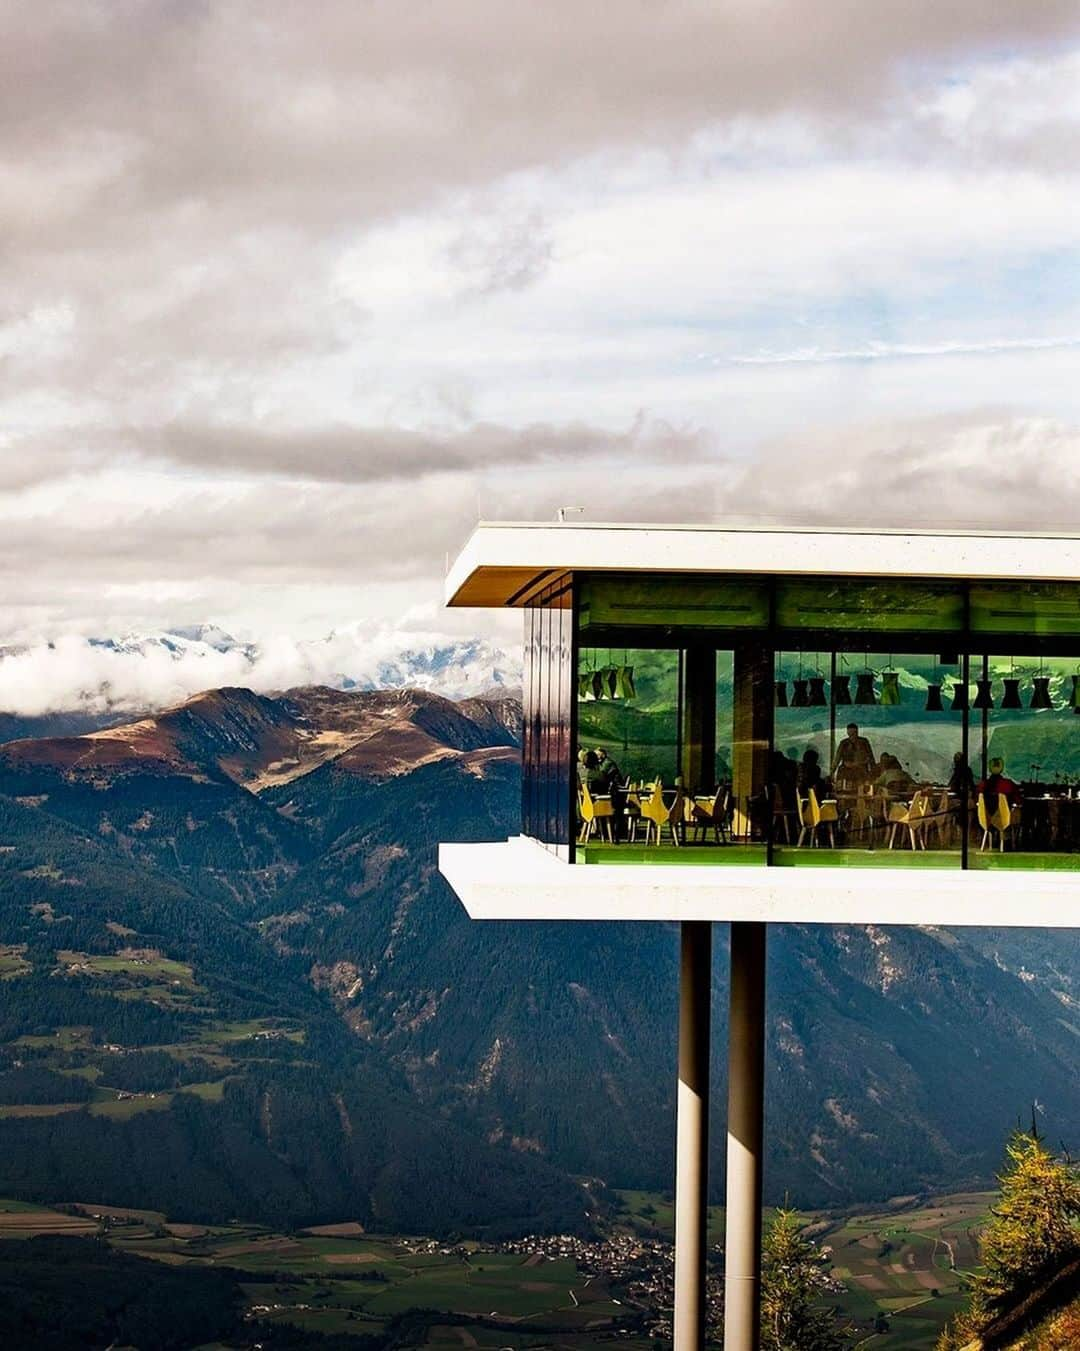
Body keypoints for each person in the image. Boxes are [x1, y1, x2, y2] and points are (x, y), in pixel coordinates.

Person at [832, 722, 876, 791]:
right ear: (847, 733)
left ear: (857, 732)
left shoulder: (864, 742)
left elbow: (870, 757)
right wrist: (832, 772)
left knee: (862, 790)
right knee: (843, 789)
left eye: (854, 733)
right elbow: (837, 759)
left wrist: (873, 772)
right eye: (850, 733)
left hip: (861, 771)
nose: (852, 736)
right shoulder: (844, 743)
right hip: (846, 771)